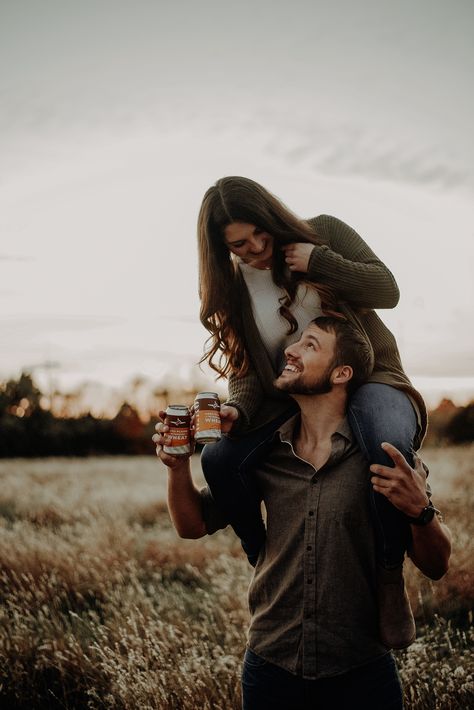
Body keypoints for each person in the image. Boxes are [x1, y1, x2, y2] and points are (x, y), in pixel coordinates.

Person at [153, 317, 451, 710]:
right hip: (270, 666)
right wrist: (177, 469)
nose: (290, 350)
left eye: (310, 345)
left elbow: (436, 564)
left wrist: (421, 511)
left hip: (361, 673)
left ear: (341, 372)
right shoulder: (262, 456)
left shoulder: (385, 457)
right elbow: (192, 526)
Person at [196, 176, 428, 648]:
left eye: (262, 231)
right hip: (287, 397)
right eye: (241, 243)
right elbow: (245, 367)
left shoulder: (322, 233)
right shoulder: (234, 287)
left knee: (383, 437)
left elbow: (388, 290)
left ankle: (388, 576)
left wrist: (320, 261)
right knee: (219, 460)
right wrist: (238, 408)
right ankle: (262, 558)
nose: (258, 246)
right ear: (221, 248)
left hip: (372, 377)